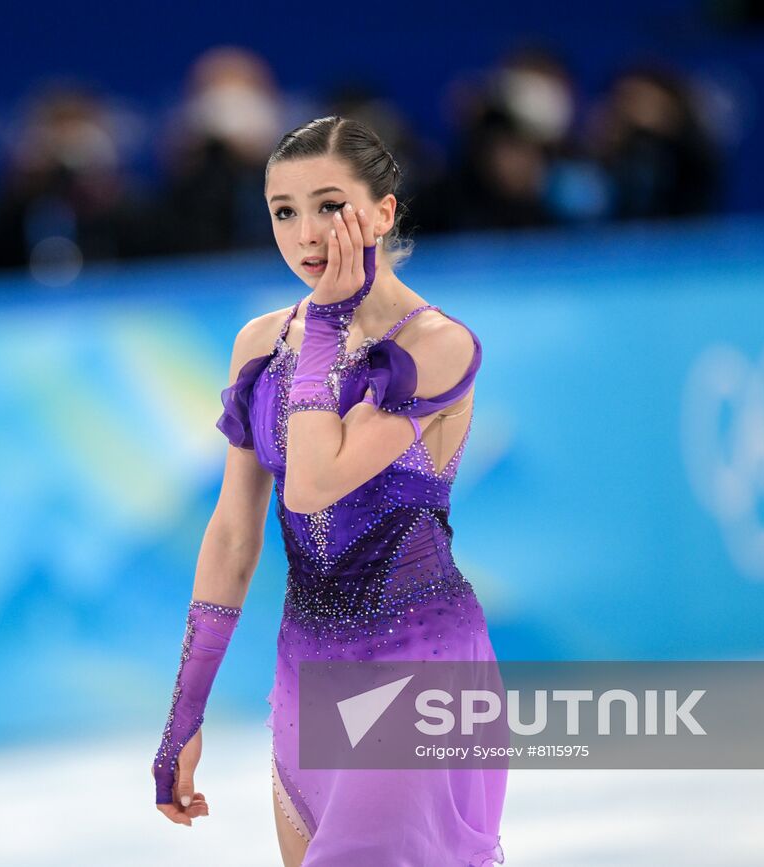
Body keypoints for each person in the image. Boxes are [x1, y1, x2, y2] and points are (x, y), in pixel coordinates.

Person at [151, 116, 506, 866]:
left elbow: (313, 484)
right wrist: (187, 709)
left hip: (421, 664)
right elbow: (234, 535)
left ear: (383, 211)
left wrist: (326, 327)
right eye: (284, 210)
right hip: (307, 673)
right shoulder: (260, 343)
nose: (306, 233)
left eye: (329, 205)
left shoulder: (435, 347)